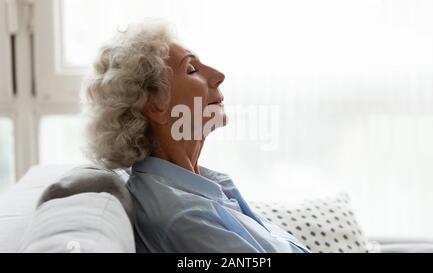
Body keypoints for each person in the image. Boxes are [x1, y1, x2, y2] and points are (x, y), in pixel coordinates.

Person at [80, 21, 310, 253]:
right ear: (155, 106)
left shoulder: (203, 184)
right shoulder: (184, 217)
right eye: (191, 69)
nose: (219, 76)